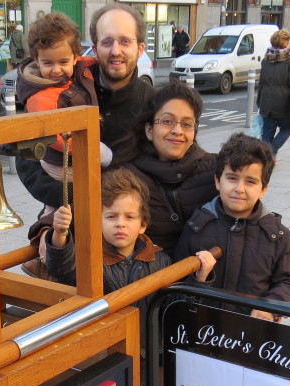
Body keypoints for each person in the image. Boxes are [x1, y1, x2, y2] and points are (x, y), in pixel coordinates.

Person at [18, 3, 155, 276]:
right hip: (68, 207)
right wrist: (68, 200)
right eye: (107, 42)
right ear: (95, 46)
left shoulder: (152, 102)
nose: (115, 50)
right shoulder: (60, 89)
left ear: (140, 49)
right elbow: (28, 157)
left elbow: (169, 161)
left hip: (121, 229)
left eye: (125, 41)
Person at [175, 132, 290, 320]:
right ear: (218, 181)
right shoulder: (197, 227)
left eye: (250, 181)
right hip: (204, 331)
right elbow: (177, 281)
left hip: (253, 336)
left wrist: (270, 307)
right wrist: (198, 280)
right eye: (232, 178)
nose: (239, 189)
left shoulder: (277, 235)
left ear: (263, 189)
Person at [45, 167, 214, 294]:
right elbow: (63, 268)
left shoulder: (160, 261)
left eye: (129, 217)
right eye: (111, 217)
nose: (120, 223)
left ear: (143, 225)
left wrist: (199, 279)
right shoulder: (90, 258)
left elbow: (171, 306)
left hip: (144, 340)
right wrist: (60, 233)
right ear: (98, 222)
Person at [16, 13, 109, 188]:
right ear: (37, 60)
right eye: (48, 63)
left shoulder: (80, 67)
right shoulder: (42, 96)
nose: (56, 70)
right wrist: (92, 148)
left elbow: (90, 62)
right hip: (63, 163)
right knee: (78, 198)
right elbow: (53, 137)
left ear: (75, 57)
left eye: (63, 61)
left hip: (79, 151)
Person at [124, 81, 218, 254]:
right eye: (167, 121)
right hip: (155, 277)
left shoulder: (217, 170)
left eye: (187, 124)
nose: (177, 130)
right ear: (149, 130)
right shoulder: (127, 179)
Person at [257, 29, 290, 156]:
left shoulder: (266, 59)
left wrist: (259, 100)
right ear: (286, 43)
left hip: (266, 101)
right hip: (283, 102)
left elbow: (261, 81)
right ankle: (271, 152)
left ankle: (265, 156)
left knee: (267, 131)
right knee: (287, 128)